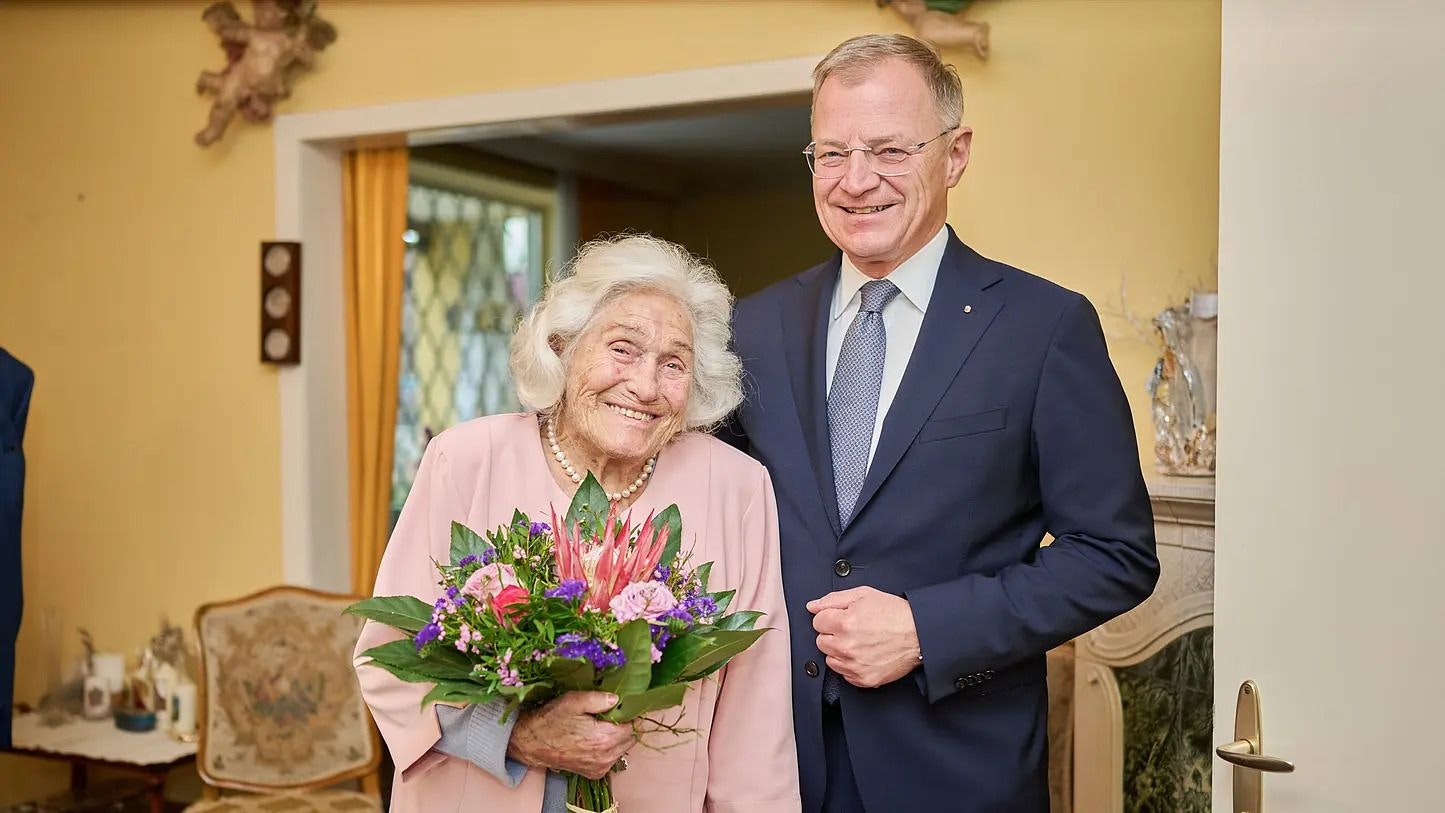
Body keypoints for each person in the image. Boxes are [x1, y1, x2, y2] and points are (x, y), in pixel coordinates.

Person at [724, 34, 1159, 812]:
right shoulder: (749, 327)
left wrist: (927, 626)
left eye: (890, 149)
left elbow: (1113, 554)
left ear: (954, 155)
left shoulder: (1042, 325)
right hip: (772, 768)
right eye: (832, 153)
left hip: (956, 771)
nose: (857, 181)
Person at [356, 236, 800, 813]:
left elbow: (755, 717)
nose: (644, 386)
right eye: (622, 349)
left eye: (673, 364)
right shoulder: (465, 460)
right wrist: (515, 733)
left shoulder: (736, 486)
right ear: (563, 348)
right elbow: (389, 660)